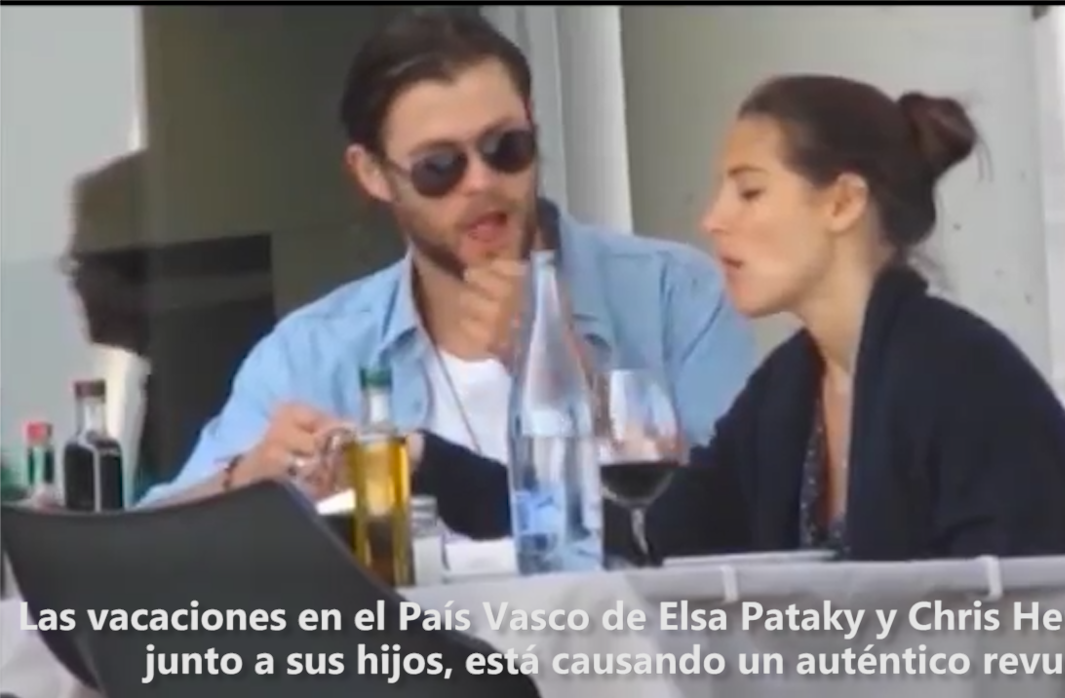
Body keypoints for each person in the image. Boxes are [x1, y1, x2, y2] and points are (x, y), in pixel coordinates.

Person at [397, 72, 1065, 586]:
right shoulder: (792, 386)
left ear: (843, 202)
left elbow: (1024, 628)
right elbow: (650, 533)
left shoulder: (960, 377)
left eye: (749, 191)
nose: (712, 219)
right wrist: (421, 460)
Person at [139, 8, 757, 523]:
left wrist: (563, 370)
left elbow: (740, 522)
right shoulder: (316, 352)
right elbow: (145, 543)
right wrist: (246, 481)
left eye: (506, 147)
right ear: (372, 174)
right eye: (440, 166)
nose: (482, 182)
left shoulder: (673, 295)